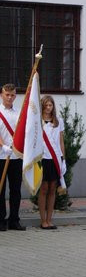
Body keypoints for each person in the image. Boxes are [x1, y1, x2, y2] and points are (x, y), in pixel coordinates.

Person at [38, 95, 66, 229]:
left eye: (50, 105)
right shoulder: (37, 121)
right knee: (44, 188)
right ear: (42, 106)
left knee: (53, 188)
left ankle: (49, 219)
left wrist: (63, 159)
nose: (48, 108)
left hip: (55, 158)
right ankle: (43, 220)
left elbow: (61, 141)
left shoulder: (58, 121)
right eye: (46, 105)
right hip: (43, 158)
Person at [0, 83, 25, 231]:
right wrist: (3, 145)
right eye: (7, 95)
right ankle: (1, 220)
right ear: (2, 95)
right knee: (1, 190)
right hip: (1, 156)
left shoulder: (19, 113)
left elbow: (22, 133)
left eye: (12, 95)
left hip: (16, 157)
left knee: (15, 190)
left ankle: (14, 220)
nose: (10, 97)